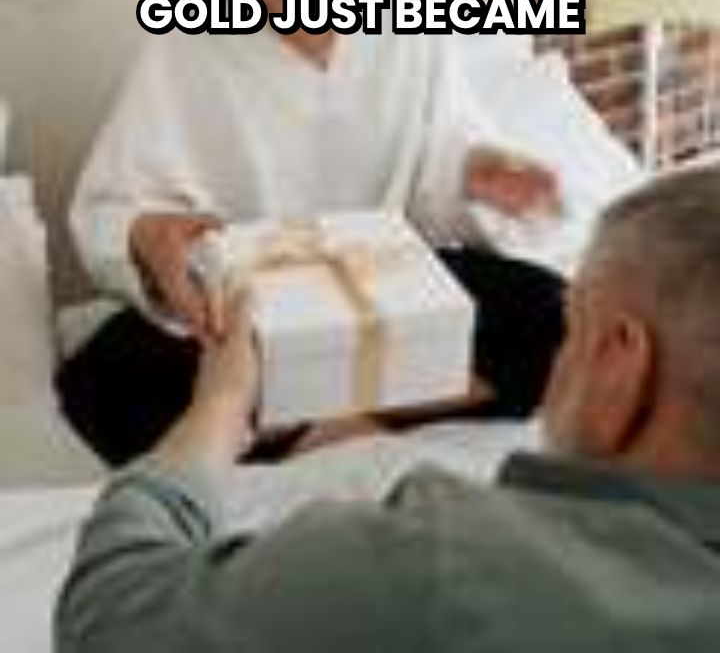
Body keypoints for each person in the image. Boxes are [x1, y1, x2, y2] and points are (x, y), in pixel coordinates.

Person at [56, 0, 564, 464]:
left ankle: (323, 415)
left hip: (386, 287)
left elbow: (440, 158)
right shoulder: (187, 41)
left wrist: (477, 172)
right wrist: (148, 237)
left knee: (558, 314)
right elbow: (111, 206)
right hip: (250, 317)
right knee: (97, 384)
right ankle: (339, 403)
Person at [56, 166, 720, 653]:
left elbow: (106, 616)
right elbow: (117, 216)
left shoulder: (444, 561)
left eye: (574, 331)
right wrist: (143, 234)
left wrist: (221, 407)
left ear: (620, 364)